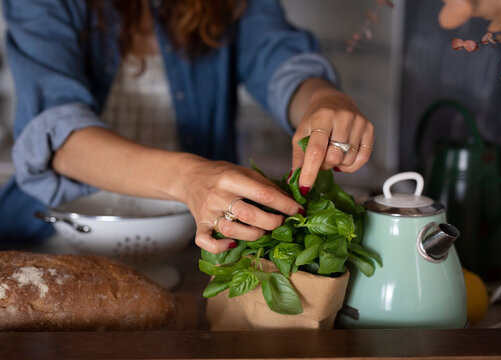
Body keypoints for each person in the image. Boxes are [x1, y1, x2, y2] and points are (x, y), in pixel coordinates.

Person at [0, 0, 374, 254]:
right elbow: (58, 137)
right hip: (54, 239)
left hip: (193, 244)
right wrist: (191, 179)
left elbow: (278, 58)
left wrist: (322, 99)